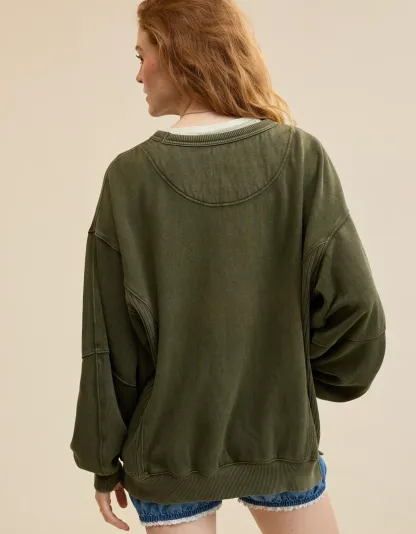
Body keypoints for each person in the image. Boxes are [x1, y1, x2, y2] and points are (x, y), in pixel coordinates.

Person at [69, 1, 386, 533]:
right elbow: (356, 311)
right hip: (278, 435)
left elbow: (109, 343)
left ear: (177, 52)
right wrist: (293, 378)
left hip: (169, 449)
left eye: (142, 56)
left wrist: (103, 460)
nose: (138, 74)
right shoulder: (300, 158)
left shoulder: (128, 179)